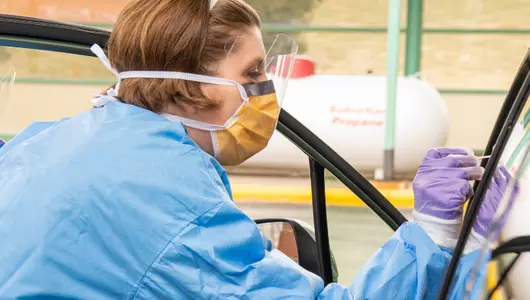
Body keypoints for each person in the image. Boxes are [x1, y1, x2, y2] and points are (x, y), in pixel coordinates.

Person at [0, 0, 509, 298]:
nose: (266, 89)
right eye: (251, 73)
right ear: (191, 86)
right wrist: (440, 237)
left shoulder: (51, 138)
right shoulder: (173, 208)